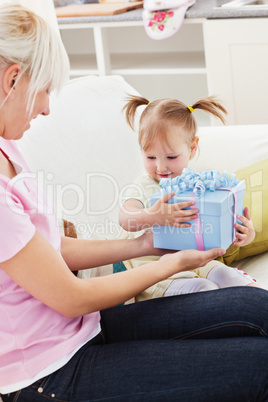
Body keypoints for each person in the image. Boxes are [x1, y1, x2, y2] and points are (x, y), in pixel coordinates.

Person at [0, 4, 267, 402]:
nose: (47, 108)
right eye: (44, 90)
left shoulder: (9, 150)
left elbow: (55, 250)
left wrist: (149, 244)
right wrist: (168, 264)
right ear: (12, 79)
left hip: (86, 330)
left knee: (255, 306)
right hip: (47, 374)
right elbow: (69, 297)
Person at [118, 95, 258, 301]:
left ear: (192, 148)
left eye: (171, 157)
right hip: (155, 268)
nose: (160, 167)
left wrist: (245, 234)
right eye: (150, 157)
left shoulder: (200, 183)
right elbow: (125, 218)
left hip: (198, 260)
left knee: (231, 277)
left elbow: (219, 225)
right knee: (204, 288)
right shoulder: (144, 185)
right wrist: (151, 216)